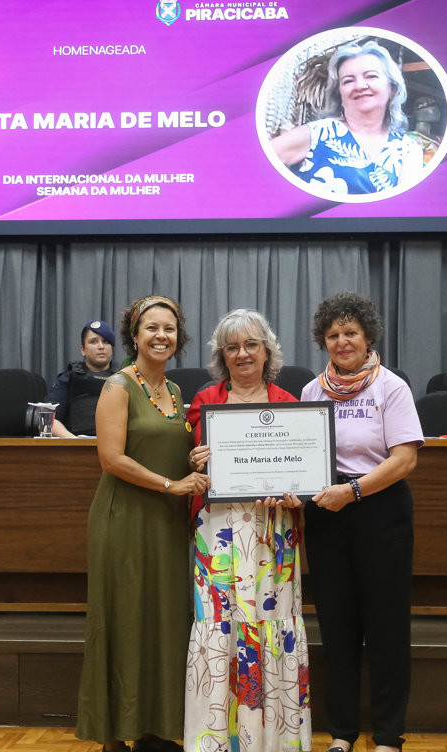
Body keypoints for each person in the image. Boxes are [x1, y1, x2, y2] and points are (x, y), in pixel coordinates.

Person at [76, 295, 210, 752]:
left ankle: (153, 729)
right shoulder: (117, 386)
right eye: (151, 327)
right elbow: (111, 459)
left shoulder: (174, 393)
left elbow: (170, 449)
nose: (160, 335)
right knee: (123, 621)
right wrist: (172, 485)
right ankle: (114, 735)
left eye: (169, 329)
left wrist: (194, 457)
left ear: (179, 338)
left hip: (166, 525)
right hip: (125, 521)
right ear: (133, 336)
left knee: (162, 622)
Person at [182, 309, 311, 752]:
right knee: (219, 628)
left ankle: (277, 740)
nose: (242, 354)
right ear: (222, 355)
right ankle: (216, 740)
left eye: (251, 345)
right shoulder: (203, 401)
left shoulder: (290, 403)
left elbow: (304, 474)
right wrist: (196, 461)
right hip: (216, 532)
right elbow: (191, 464)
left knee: (271, 625)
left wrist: (297, 492)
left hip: (272, 531)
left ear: (267, 351)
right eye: (232, 347)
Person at [300, 292, 423, 752]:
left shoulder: (391, 387)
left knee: (387, 625)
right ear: (323, 341)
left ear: (368, 335)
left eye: (350, 332)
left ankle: (389, 735)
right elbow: (303, 459)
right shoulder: (313, 391)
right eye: (333, 335)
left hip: (380, 511)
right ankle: (342, 734)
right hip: (327, 514)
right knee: (337, 626)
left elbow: (405, 459)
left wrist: (352, 491)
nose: (342, 341)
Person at [270, 40, 424, 198]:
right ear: (340, 94)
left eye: (371, 76)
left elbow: (404, 207)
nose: (360, 85)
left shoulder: (407, 149)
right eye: (348, 80)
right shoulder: (317, 133)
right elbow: (255, 164)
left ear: (392, 88)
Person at [47, 319, 119, 437]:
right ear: (83, 350)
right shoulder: (68, 378)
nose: (101, 346)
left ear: (111, 348)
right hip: (78, 445)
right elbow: (50, 418)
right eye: (93, 342)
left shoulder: (126, 377)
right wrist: (75, 443)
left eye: (105, 342)